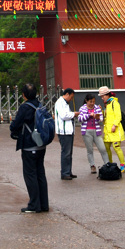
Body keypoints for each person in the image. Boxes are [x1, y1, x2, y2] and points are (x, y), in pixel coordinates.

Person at [10, 84, 49, 213]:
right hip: (41, 144)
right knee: (40, 174)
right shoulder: (40, 105)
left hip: (29, 144)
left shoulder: (25, 107)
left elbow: (15, 125)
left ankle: (33, 205)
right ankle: (43, 204)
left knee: (30, 175)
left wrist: (13, 130)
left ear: (24, 95)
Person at [76, 93, 107, 174]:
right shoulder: (82, 108)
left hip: (97, 131)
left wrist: (97, 118)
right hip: (86, 132)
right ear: (86, 101)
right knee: (90, 150)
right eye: (90, 101)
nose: (92, 103)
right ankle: (92, 165)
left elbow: (101, 118)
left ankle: (107, 164)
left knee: (102, 148)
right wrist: (89, 115)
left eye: (93, 101)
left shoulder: (97, 108)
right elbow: (80, 119)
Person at [99, 87, 125, 172]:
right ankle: (110, 164)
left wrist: (114, 125)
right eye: (101, 96)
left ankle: (123, 165)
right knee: (106, 148)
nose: (102, 98)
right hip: (107, 131)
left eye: (103, 96)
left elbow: (118, 116)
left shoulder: (114, 103)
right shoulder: (107, 104)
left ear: (107, 95)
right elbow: (106, 117)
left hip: (115, 130)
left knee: (116, 147)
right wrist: (101, 111)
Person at [53, 88, 76, 180]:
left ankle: (68, 171)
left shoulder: (65, 103)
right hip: (64, 132)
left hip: (69, 131)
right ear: (67, 94)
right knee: (66, 153)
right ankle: (65, 173)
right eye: (71, 97)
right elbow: (64, 115)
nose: (71, 99)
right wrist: (74, 114)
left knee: (69, 153)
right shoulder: (60, 103)